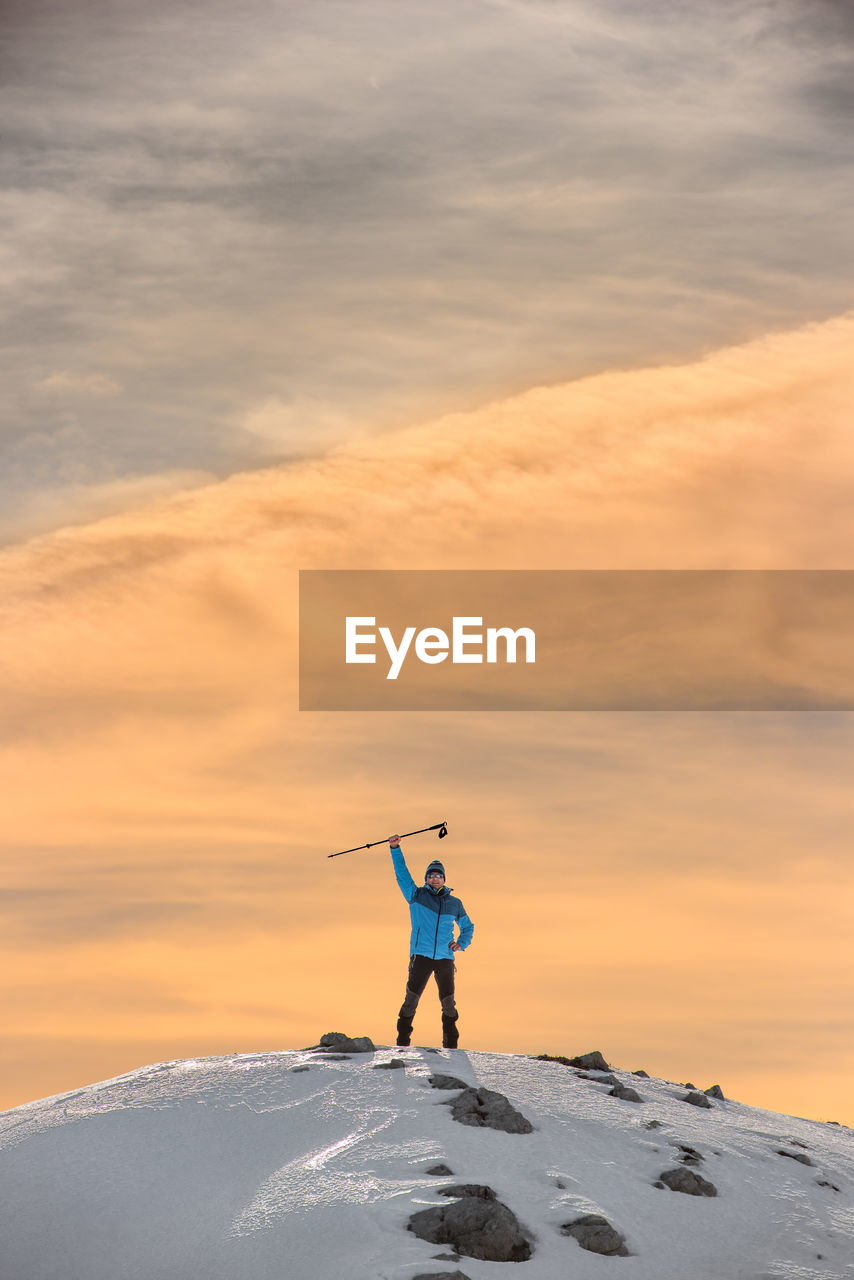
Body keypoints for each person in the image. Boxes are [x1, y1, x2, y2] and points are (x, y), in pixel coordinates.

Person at [388, 833, 474, 1048]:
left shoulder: (454, 903)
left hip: (445, 958)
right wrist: (395, 849)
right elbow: (402, 875)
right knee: (411, 1001)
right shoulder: (416, 895)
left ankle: (451, 1046)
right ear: (426, 879)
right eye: (431, 875)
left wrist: (461, 943)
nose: (435, 878)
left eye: (438, 875)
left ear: (444, 879)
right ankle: (402, 1043)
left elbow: (468, 926)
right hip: (421, 956)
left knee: (448, 1004)